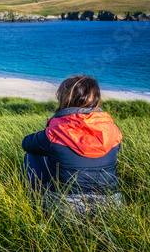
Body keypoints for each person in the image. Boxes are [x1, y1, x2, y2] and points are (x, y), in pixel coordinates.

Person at [22, 74, 123, 215]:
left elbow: (26, 144)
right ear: (97, 100)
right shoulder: (113, 131)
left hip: (66, 207)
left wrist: (49, 127)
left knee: (32, 155)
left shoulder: (55, 132)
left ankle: (34, 203)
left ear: (64, 99)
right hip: (111, 205)